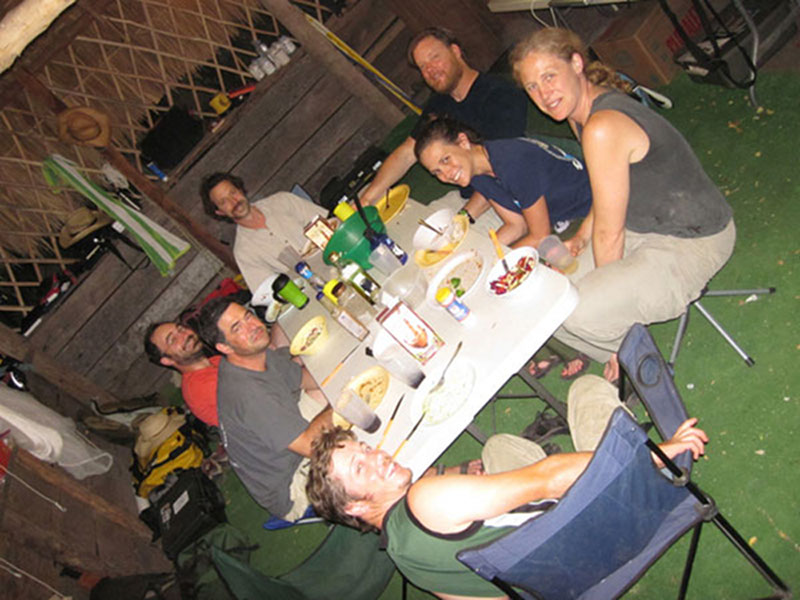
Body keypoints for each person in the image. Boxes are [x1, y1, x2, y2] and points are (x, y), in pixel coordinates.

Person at [307, 375, 708, 599]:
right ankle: (643, 466)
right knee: (585, 390)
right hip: (613, 528)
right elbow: (547, 478)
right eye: (361, 467)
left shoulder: (403, 560)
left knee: (497, 447)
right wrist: (657, 453)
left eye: (365, 448)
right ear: (356, 508)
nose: (378, 456)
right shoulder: (425, 497)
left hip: (562, 584)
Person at [510, 28, 735, 383]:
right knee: (546, 296)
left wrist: (604, 287)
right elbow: (607, 191)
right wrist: (581, 237)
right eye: (532, 87)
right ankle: (620, 355)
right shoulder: (579, 112)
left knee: (578, 312)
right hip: (644, 224)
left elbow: (610, 234)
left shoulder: (601, 125)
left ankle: (633, 358)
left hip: (693, 241)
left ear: (577, 63)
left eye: (549, 77)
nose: (544, 94)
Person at [359, 27, 528, 224]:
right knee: (412, 229)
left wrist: (463, 220)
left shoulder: (499, 94)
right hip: (464, 195)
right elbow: (407, 152)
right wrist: (367, 199)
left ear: (456, 51)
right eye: (422, 66)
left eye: (434, 58)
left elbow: (501, 169)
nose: (430, 70)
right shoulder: (439, 104)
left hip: (502, 197)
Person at [197, 298, 333, 521]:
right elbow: (311, 446)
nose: (253, 326)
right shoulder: (249, 396)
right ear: (224, 347)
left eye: (247, 316)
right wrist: (341, 402)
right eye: (237, 328)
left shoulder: (255, 353)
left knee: (334, 390)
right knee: (355, 422)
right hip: (291, 486)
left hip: (290, 445)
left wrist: (339, 380)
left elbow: (306, 381)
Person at [415, 117, 591, 250]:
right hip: (558, 219)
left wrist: (493, 261)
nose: (446, 174)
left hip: (589, 210)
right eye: (436, 171)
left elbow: (540, 236)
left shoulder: (511, 163)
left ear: (463, 142)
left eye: (446, 159)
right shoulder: (477, 172)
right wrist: (478, 252)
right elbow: (516, 225)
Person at [199, 173, 327, 293]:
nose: (234, 202)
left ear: (240, 190)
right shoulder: (243, 253)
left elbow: (329, 224)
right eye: (223, 202)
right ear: (220, 212)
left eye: (233, 192)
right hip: (312, 291)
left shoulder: (282, 201)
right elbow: (269, 293)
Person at [144, 320, 221, 427]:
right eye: (173, 340)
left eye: (181, 329)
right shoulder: (199, 387)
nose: (184, 336)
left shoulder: (216, 360)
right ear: (167, 360)